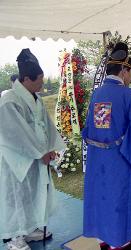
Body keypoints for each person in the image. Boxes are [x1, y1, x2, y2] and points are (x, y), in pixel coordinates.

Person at [82, 42, 131, 250]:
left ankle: (104, 243)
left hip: (98, 164)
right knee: (121, 205)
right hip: (121, 162)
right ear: (123, 70)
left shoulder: (96, 95)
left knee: (103, 202)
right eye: (130, 72)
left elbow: (88, 129)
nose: (130, 77)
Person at [0, 49, 65, 250]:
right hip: (16, 159)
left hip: (36, 157)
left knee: (32, 194)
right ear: (26, 79)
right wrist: (40, 152)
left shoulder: (34, 98)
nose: (42, 84)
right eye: (39, 80)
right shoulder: (9, 99)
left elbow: (45, 125)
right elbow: (16, 134)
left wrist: (51, 148)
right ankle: (14, 237)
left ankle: (28, 230)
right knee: (16, 196)